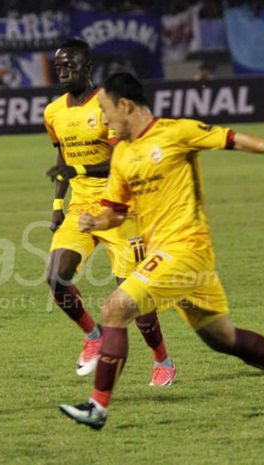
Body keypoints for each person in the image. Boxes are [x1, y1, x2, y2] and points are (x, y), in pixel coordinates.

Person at [60, 72, 264, 430]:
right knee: (222, 339)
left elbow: (232, 139)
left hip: (187, 248)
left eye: (106, 111)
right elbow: (117, 210)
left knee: (115, 307)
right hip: (175, 259)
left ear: (125, 106)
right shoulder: (122, 154)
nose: (104, 120)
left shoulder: (175, 132)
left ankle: (97, 407)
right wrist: (97, 221)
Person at [44, 39, 176, 386]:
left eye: (70, 66)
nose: (64, 72)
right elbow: (63, 159)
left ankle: (162, 360)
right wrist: (58, 205)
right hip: (81, 209)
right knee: (56, 276)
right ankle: (92, 337)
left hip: (120, 210)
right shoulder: (53, 112)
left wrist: (81, 172)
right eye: (59, 66)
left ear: (88, 69)